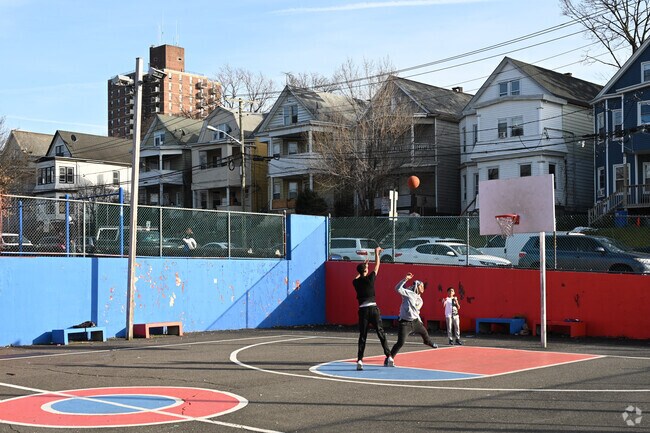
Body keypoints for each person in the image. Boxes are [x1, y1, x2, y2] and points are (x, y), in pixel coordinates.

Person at [352, 246, 392, 371]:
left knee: (363, 336)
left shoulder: (356, 282)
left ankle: (359, 360)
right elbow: (377, 265)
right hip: (373, 310)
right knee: (381, 333)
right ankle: (389, 356)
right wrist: (376, 253)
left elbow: (356, 277)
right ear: (366, 271)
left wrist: (363, 268)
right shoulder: (370, 279)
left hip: (363, 311)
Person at [388, 272, 438, 366]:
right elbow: (397, 288)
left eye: (423, 286)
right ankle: (389, 358)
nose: (423, 288)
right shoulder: (408, 293)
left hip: (415, 322)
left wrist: (419, 321)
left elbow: (416, 311)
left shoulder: (420, 300)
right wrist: (405, 279)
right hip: (405, 323)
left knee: (424, 333)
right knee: (400, 342)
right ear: (416, 286)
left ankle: (428, 342)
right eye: (421, 286)